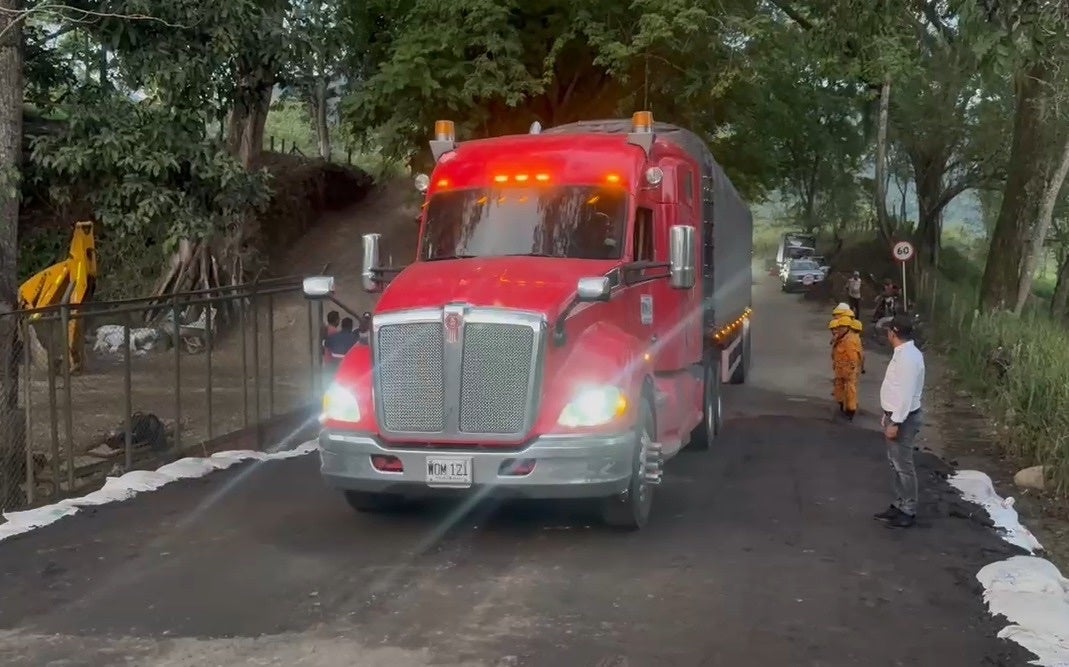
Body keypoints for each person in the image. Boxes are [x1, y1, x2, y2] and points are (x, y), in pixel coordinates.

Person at [875, 315, 925, 529]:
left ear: (893, 333)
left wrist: (895, 421)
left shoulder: (908, 359)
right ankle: (899, 504)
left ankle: (908, 510)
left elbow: (905, 396)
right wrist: (887, 414)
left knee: (903, 466)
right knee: (895, 464)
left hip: (903, 419)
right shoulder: (904, 354)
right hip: (895, 415)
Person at [829, 316, 862, 421]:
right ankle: (843, 404)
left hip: (847, 369)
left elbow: (854, 356)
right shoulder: (842, 338)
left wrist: (852, 368)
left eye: (842, 327)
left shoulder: (849, 340)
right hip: (841, 369)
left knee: (850, 389)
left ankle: (850, 410)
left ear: (847, 327)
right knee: (840, 387)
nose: (838, 329)